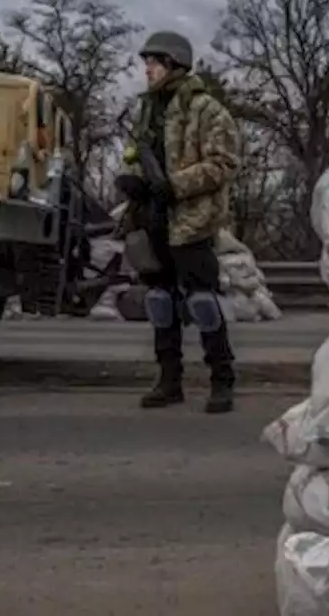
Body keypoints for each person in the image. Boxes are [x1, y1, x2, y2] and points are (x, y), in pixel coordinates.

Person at [114, 30, 241, 414]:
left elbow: (224, 164)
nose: (147, 69)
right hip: (153, 219)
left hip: (191, 221)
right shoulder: (145, 111)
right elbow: (135, 154)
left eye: (153, 62)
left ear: (173, 64)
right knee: (160, 301)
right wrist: (129, 179)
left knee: (202, 301)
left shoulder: (206, 110)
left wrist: (176, 186)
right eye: (147, 63)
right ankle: (169, 382)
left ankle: (223, 381)